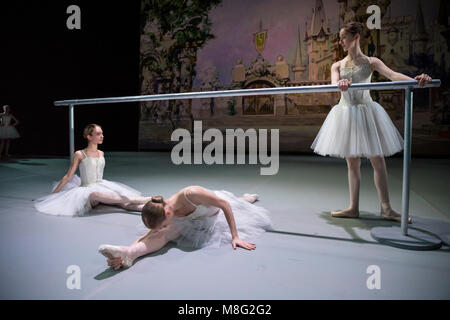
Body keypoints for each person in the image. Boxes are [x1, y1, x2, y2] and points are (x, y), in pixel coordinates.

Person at [311, 22, 432, 222]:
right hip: (345, 113)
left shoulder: (371, 62)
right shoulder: (337, 65)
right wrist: (339, 83)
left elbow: (393, 76)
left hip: (367, 112)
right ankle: (353, 207)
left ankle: (386, 208)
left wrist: (415, 80)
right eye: (340, 39)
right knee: (352, 163)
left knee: (378, 161)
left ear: (356, 37)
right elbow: (334, 85)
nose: (341, 42)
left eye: (344, 38)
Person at [98, 186, 273, 270]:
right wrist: (128, 251)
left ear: (167, 214)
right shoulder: (163, 211)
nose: (162, 228)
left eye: (163, 224)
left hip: (215, 213)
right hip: (193, 221)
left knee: (240, 203)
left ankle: (248, 197)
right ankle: (131, 254)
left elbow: (225, 205)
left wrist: (235, 236)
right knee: (164, 235)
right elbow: (150, 234)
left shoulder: (192, 194)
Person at [34, 124, 151, 216]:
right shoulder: (80, 154)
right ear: (89, 137)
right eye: (98, 134)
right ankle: (142, 199)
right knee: (94, 194)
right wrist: (54, 194)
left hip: (102, 185)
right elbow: (68, 176)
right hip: (87, 189)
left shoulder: (101, 153)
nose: (102, 136)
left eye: (102, 133)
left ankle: (154, 206)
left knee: (125, 205)